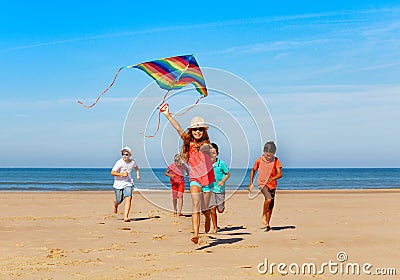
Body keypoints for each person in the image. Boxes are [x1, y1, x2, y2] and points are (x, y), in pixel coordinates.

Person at [161, 103, 215, 244]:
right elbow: (178, 127)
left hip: (208, 179)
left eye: (200, 129)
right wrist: (167, 114)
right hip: (195, 178)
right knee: (195, 203)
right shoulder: (188, 142)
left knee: (204, 208)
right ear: (191, 131)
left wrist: (205, 149)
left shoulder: (207, 145)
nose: (197, 131)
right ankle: (196, 234)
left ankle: (208, 216)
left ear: (204, 131)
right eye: (195, 129)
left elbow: (208, 150)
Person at [248, 141, 282, 231]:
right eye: (267, 155)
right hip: (262, 184)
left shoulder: (276, 161)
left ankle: (267, 223)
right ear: (264, 151)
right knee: (268, 199)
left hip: (272, 185)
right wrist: (251, 183)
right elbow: (253, 171)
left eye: (271, 155)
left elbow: (280, 174)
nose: (269, 157)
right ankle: (263, 214)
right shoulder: (259, 160)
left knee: (271, 206)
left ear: (274, 153)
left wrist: (272, 178)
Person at [111, 147, 141, 222]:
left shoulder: (132, 162)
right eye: (123, 154)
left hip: (128, 182)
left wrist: (138, 175)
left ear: (130, 155)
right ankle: (116, 204)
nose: (124, 156)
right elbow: (112, 172)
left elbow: (136, 168)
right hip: (118, 183)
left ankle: (126, 217)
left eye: (126, 154)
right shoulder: (119, 162)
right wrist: (122, 174)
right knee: (119, 200)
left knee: (129, 198)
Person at [209, 143, 230, 233]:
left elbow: (228, 174)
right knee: (212, 208)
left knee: (220, 210)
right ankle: (215, 227)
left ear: (217, 153)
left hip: (220, 190)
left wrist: (222, 181)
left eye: (213, 153)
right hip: (210, 189)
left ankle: (221, 207)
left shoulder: (221, 164)